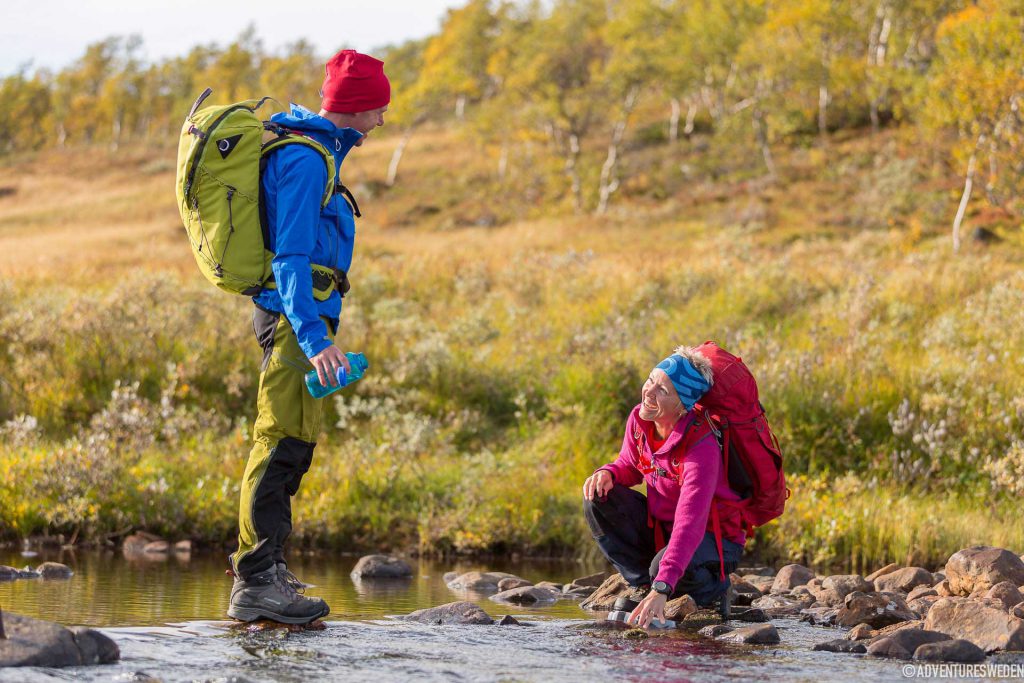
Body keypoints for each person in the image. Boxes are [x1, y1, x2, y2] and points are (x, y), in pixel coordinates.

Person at [227, 50, 389, 625]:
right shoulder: (305, 159)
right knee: (278, 444)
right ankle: (255, 581)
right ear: (357, 106)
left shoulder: (317, 152)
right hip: (294, 322)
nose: (382, 120)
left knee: (294, 445)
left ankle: (270, 570)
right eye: (378, 109)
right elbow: (291, 257)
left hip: (302, 322)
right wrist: (315, 338)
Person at [582, 346, 746, 628]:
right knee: (598, 498)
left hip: (712, 540)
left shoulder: (701, 446)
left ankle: (713, 590)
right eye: (650, 380)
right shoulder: (640, 418)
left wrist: (663, 585)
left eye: (663, 390)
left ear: (683, 405)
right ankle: (643, 587)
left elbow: (690, 522)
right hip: (664, 531)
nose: (649, 392)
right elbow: (630, 464)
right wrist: (609, 472)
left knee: (663, 568)